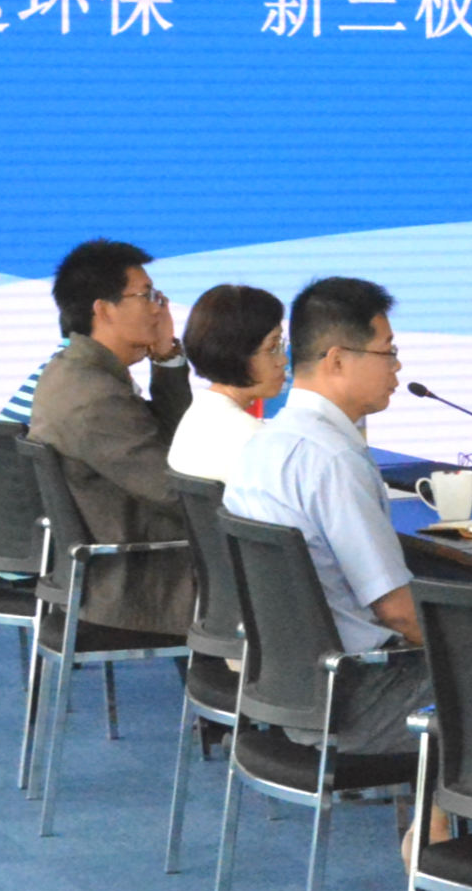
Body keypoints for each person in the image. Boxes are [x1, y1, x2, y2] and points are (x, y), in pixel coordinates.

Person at [219, 277, 430, 755]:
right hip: (361, 699)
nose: (397, 367)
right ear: (337, 359)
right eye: (388, 352)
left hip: (289, 693)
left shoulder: (262, 445)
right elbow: (396, 611)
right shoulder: (332, 457)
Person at [25, 237, 195, 637]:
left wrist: (166, 355)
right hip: (139, 578)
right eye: (146, 295)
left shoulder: (72, 370)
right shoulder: (95, 397)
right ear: (103, 310)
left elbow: (174, 443)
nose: (159, 307)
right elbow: (175, 492)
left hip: (110, 569)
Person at [167, 284, 287, 483]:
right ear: (235, 353)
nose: (283, 360)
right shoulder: (255, 440)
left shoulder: (197, 417)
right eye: (272, 347)